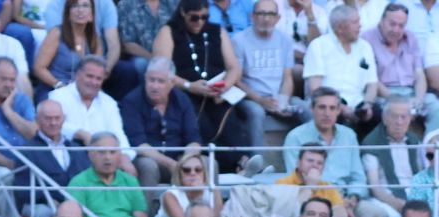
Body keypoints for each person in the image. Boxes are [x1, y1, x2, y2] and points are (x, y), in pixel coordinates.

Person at [152, 0, 243, 157]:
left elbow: (234, 67)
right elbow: (162, 70)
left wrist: (225, 85)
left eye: (204, 17)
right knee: (201, 123)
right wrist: (190, 86)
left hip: (216, 91)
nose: (199, 22)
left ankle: (241, 161)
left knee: (229, 120)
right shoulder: (168, 32)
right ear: (183, 13)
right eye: (194, 17)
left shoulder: (217, 31)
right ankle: (217, 164)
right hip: (184, 90)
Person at [284, 88, 386, 217]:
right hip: (313, 199)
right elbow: (296, 180)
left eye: (332, 108)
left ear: (339, 111)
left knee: (378, 216)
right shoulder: (295, 137)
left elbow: (358, 176)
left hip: (347, 198)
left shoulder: (348, 135)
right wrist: (335, 201)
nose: (327, 113)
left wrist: (352, 198)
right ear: (312, 108)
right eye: (322, 107)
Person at [232, 0, 303, 158]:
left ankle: (313, 161)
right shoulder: (239, 40)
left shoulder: (285, 40)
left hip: (278, 97)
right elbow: (236, 80)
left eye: (270, 14)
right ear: (252, 16)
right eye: (261, 13)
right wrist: (260, 100)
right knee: (257, 113)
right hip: (250, 97)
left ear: (278, 18)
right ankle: (256, 163)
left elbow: (287, 76)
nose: (266, 18)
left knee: (306, 109)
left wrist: (283, 101)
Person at [122, 57, 200, 185]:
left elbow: (193, 138)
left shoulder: (182, 100)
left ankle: (202, 204)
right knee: (148, 166)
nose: (155, 86)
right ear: (145, 78)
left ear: (172, 83)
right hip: (150, 159)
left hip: (179, 158)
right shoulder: (131, 101)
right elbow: (139, 145)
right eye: (151, 80)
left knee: (207, 163)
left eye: (161, 81)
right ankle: (145, 206)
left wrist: (187, 161)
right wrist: (169, 163)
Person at [20, 97, 91, 217]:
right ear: (37, 120)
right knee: (43, 212)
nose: (53, 123)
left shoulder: (76, 149)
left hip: (77, 203)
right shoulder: (27, 150)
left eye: (57, 118)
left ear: (63, 119)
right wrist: (49, 200)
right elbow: (23, 190)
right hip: (45, 205)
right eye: (48, 118)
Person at [303, 3, 379, 123]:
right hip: (329, 103)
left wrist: (368, 104)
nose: (360, 25)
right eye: (355, 22)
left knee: (381, 113)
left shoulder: (365, 47)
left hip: (359, 103)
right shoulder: (318, 46)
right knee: (331, 113)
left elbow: (372, 84)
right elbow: (315, 88)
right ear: (340, 28)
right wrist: (341, 108)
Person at [365, 5, 438, 126]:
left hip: (411, 92)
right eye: (392, 24)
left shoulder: (411, 38)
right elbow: (371, 79)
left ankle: (431, 143)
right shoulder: (367, 39)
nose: (396, 30)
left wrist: (419, 99)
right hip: (384, 94)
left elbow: (419, 74)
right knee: (391, 110)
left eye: (401, 25)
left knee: (435, 105)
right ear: (381, 20)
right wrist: (399, 100)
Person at [67, 131, 148, 217]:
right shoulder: (78, 182)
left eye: (112, 152)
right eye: (101, 152)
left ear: (119, 155)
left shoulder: (130, 180)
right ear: (90, 155)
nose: (108, 157)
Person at [49, 56, 132, 151]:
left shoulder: (109, 103)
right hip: (69, 153)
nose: (94, 82)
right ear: (77, 75)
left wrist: (125, 155)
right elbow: (51, 125)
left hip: (103, 157)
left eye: (98, 79)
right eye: (89, 76)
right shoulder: (58, 96)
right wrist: (80, 133)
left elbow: (118, 134)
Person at [362, 96, 422, 217]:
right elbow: (375, 186)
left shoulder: (415, 140)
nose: (399, 122)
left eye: (404, 117)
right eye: (394, 116)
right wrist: (397, 204)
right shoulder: (372, 142)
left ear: (410, 119)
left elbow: (424, 175)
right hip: (386, 196)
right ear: (384, 118)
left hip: (416, 194)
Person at [35, 0, 105, 92]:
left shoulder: (94, 38)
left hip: (83, 92)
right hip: (55, 88)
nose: (80, 10)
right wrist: (59, 85)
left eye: (85, 6)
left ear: (91, 15)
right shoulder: (56, 33)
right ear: (68, 13)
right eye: (75, 6)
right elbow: (39, 68)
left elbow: (97, 70)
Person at [276, 142, 354, 217]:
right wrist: (310, 186)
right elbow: (292, 214)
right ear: (298, 162)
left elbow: (342, 216)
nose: (314, 165)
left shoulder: (327, 186)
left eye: (319, 163)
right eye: (310, 161)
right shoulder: (283, 183)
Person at [154, 148, 226, 217]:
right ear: (179, 174)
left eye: (198, 170)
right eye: (186, 170)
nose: (192, 173)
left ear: (204, 173)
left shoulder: (213, 191)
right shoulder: (170, 195)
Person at [118, 0, 172, 84]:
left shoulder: (173, 3)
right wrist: (154, 60)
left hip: (171, 55)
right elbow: (127, 44)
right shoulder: (126, 4)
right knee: (142, 65)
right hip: (142, 57)